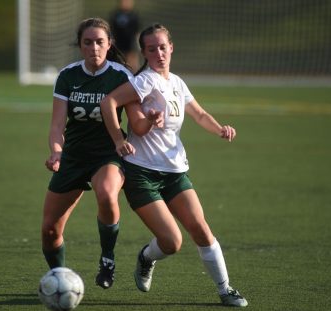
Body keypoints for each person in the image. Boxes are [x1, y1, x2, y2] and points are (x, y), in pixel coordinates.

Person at [100, 23, 248, 307]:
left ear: (171, 48)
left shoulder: (177, 82)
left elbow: (199, 113)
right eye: (151, 48)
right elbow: (111, 104)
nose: (158, 53)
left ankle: (225, 289)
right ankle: (146, 258)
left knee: (201, 229)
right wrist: (121, 138)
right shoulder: (145, 81)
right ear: (144, 52)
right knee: (171, 242)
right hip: (141, 172)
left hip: (175, 171)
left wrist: (219, 129)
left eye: (163, 47)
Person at [40, 17, 157, 290]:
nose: (94, 47)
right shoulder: (67, 76)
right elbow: (57, 125)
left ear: (109, 44)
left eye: (99, 42)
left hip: (109, 154)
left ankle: (107, 259)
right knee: (49, 230)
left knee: (106, 192)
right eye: (88, 42)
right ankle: (60, 280)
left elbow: (136, 122)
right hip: (73, 156)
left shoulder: (121, 75)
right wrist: (56, 152)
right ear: (80, 46)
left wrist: (151, 120)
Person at [109, 0, 141, 72]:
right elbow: (111, 29)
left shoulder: (134, 15)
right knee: (118, 62)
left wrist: (138, 44)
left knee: (132, 63)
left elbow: (137, 31)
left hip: (130, 44)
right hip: (118, 43)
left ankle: (134, 77)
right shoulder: (115, 15)